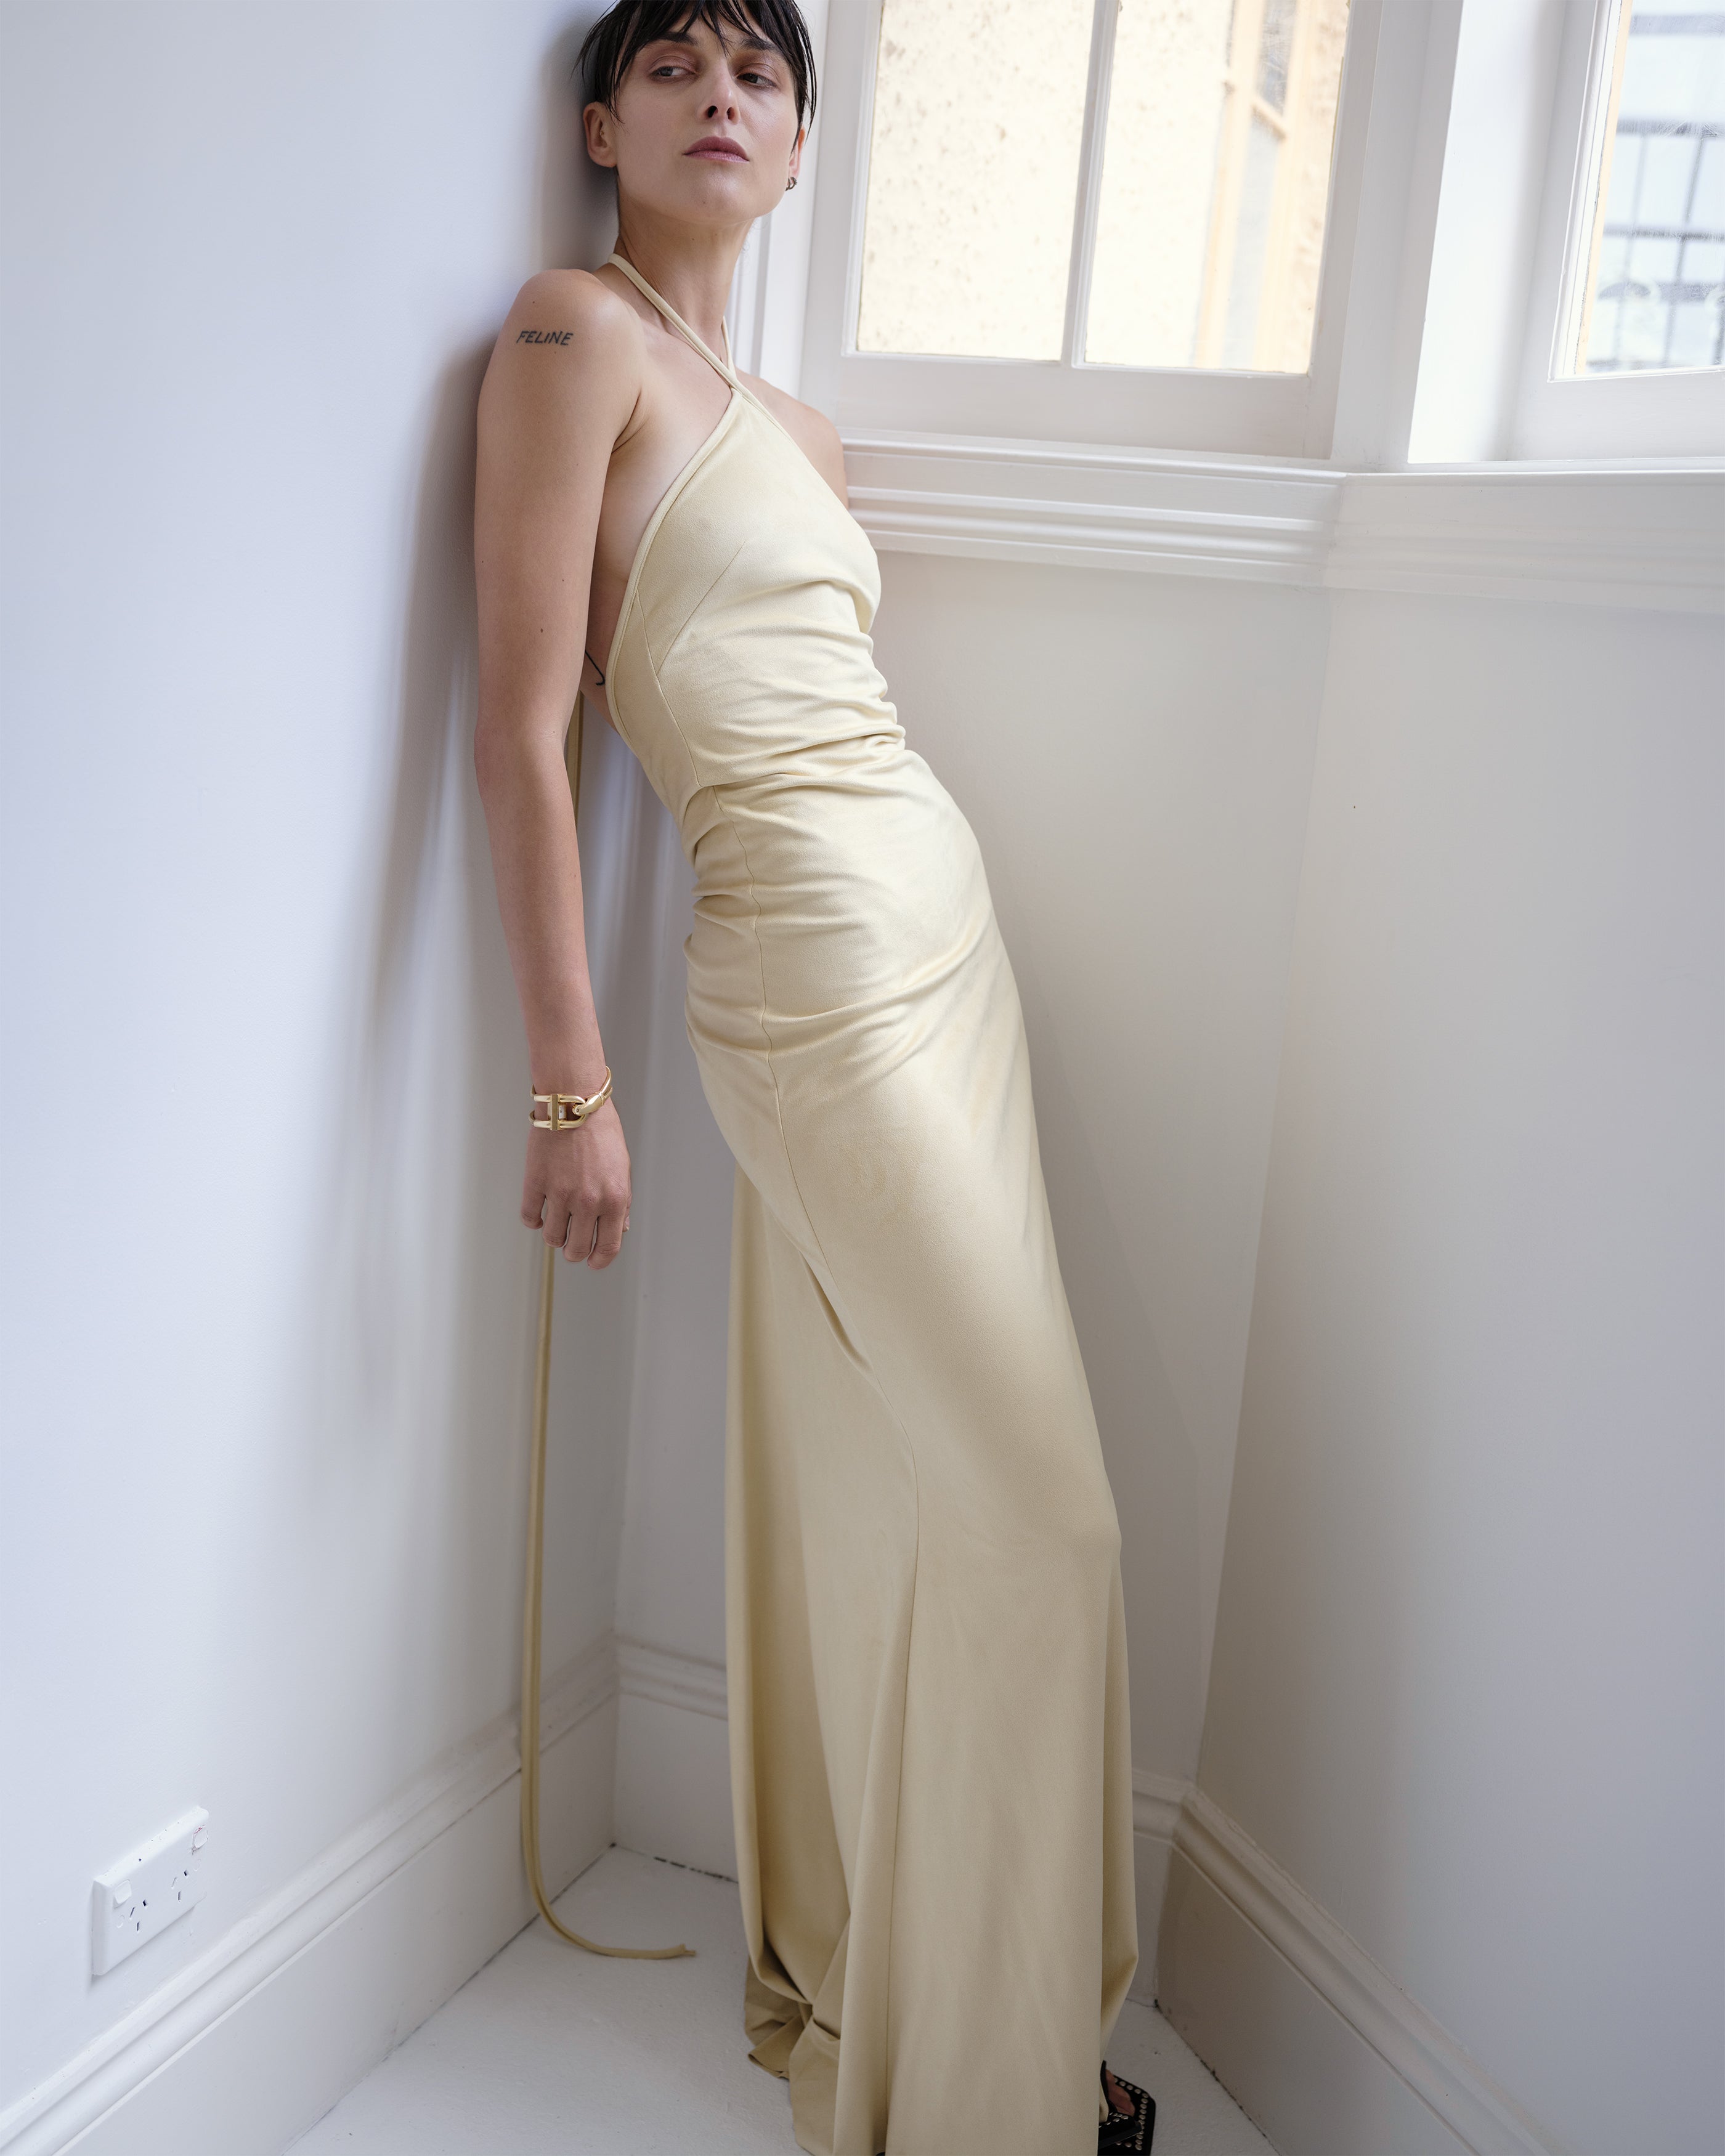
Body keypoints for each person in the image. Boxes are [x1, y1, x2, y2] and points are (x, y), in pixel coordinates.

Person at [471, 4, 1146, 2149]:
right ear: (601, 123)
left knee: (913, 1491)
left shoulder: (808, 430)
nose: (724, 97)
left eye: (761, 74)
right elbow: (518, 730)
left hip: (947, 941)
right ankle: (987, 2090)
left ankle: (977, 2024)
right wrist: (570, 1081)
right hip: (812, 973)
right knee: (1051, 1515)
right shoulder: (572, 339)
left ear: (800, 139)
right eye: (672, 67)